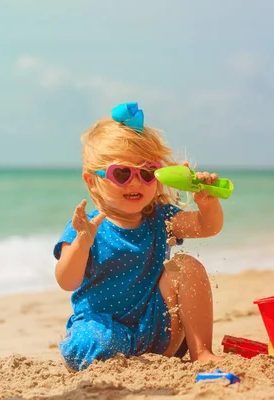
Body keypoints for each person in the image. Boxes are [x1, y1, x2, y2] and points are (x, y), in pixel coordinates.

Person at [53, 101, 224, 371]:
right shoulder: (86, 227)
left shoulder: (160, 216)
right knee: (90, 339)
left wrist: (207, 203)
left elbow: (206, 227)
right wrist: (81, 244)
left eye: (146, 173)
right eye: (121, 173)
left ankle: (201, 352)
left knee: (186, 266)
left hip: (155, 323)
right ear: (92, 180)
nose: (135, 182)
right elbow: (66, 280)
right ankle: (128, 356)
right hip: (104, 325)